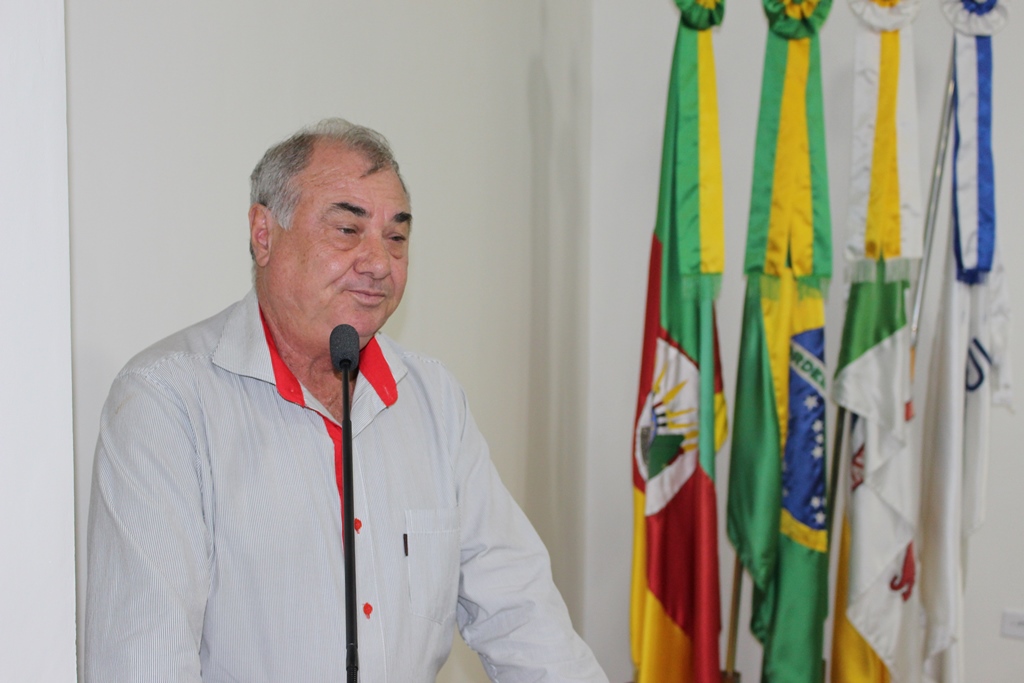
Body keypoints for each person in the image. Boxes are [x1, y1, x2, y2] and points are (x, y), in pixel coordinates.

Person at [85, 118, 608, 683]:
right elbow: (144, 662)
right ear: (264, 234)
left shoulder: (433, 399)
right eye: (347, 229)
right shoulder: (166, 401)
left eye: (396, 238)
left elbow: (523, 616)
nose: (379, 263)